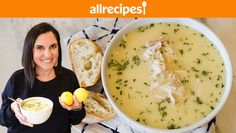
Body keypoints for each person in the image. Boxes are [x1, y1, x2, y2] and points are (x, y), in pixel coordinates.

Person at [0, 22, 86, 133]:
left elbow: (76, 120)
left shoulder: (69, 78)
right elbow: (2, 120)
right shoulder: (17, 79)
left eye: (53, 46)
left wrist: (77, 107)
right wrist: (12, 109)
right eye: (40, 48)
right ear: (30, 51)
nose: (48, 54)